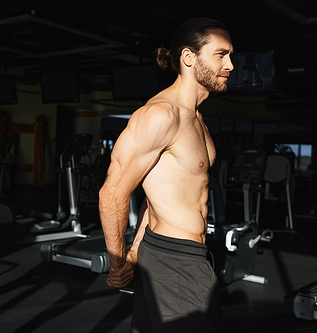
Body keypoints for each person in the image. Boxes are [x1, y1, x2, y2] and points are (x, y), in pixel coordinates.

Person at [99, 17, 234, 332]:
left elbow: (156, 193)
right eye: (221, 54)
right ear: (189, 58)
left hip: (170, 252)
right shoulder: (161, 115)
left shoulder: (197, 119)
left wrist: (135, 250)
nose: (230, 64)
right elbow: (112, 193)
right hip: (176, 261)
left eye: (230, 55)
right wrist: (118, 261)